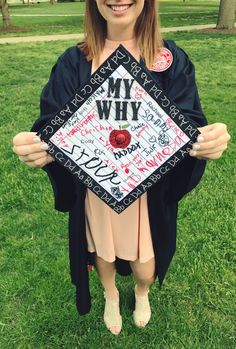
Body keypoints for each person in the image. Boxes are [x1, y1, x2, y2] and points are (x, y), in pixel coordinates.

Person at [12, 0, 230, 336]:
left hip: (148, 194)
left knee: (146, 266)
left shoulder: (169, 60)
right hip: (95, 187)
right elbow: (52, 127)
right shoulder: (74, 61)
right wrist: (40, 149)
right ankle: (110, 294)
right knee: (103, 250)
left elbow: (188, 123)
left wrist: (205, 143)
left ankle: (142, 292)